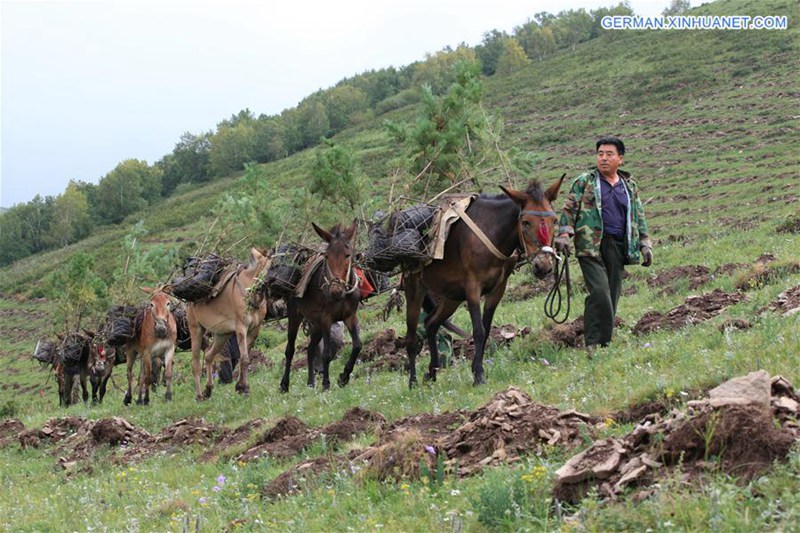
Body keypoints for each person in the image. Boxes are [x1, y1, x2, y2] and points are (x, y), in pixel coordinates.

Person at [554, 136, 652, 357]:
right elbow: (569, 210)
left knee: (613, 295)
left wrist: (645, 244)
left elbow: (639, 216)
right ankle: (593, 343)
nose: (604, 158)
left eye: (609, 154)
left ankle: (604, 344)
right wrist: (563, 234)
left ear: (620, 159)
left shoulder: (629, 187)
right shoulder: (585, 182)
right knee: (600, 292)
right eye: (600, 154)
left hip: (619, 246)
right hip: (590, 246)